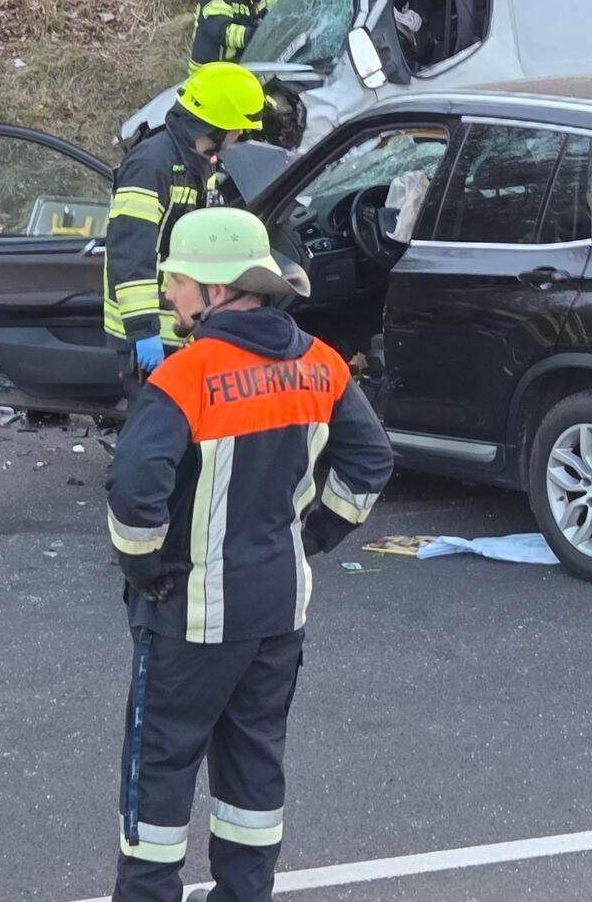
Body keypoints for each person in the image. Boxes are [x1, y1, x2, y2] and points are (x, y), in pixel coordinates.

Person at [105, 206, 394, 902]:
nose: (168, 291)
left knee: (159, 772)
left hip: (193, 617)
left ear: (216, 289)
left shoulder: (185, 377)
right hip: (278, 609)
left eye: (177, 280)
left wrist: (144, 566)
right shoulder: (321, 364)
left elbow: (133, 491)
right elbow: (371, 462)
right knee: (253, 771)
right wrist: (312, 536)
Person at [104, 63, 266, 379]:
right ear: (219, 126)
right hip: (148, 332)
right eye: (239, 129)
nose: (240, 136)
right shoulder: (151, 165)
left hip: (180, 326)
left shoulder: (197, 164)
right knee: (154, 413)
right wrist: (143, 330)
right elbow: (131, 250)